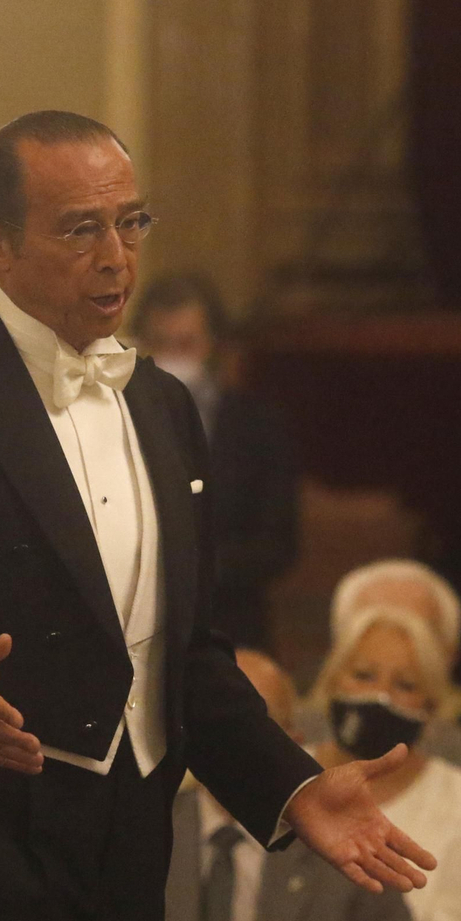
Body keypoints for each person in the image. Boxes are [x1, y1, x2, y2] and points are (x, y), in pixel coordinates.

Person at [0, 111, 434, 921]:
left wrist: (292, 785)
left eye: (131, 221)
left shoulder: (164, 406)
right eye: (81, 228)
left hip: (126, 853)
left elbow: (182, 655)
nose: (117, 256)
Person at [165, 648, 414, 921]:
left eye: (253, 727)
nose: (232, 743)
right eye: (216, 723)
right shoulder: (147, 830)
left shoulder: (344, 849)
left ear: (291, 744)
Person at [294, 559, 461, 859]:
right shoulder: (284, 741)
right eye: (372, 625)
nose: (394, 641)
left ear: (448, 657)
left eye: (417, 633)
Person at [309, 605, 461, 921]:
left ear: (430, 706)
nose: (381, 696)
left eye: (405, 684)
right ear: (332, 680)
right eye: (363, 676)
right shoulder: (286, 777)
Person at [131, 274, 300, 650]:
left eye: (187, 343)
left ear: (213, 347)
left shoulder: (257, 426)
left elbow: (278, 545)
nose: (172, 357)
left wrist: (191, 566)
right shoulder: (115, 420)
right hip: (138, 632)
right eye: (160, 343)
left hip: (230, 628)